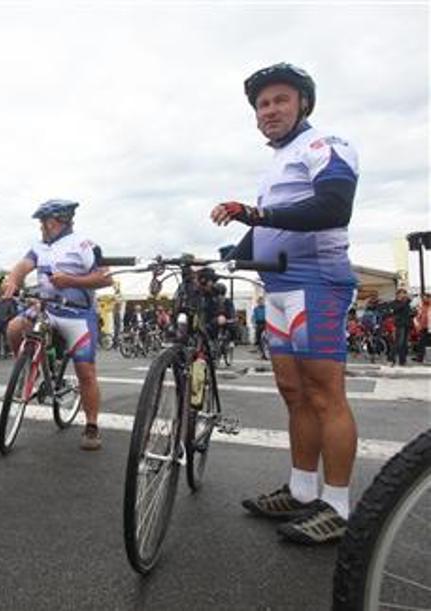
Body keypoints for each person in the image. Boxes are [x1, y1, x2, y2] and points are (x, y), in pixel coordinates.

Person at [211, 62, 360, 544]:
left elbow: (334, 206)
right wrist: (220, 262)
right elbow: (266, 229)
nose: (270, 110)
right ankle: (301, 490)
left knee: (324, 394)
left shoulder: (324, 145)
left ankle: (337, 505)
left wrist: (256, 213)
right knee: (293, 392)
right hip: (277, 286)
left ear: (304, 105)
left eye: (281, 100)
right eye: (262, 104)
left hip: (316, 281)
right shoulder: (278, 162)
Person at [2, 200, 112, 450]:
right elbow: (23, 266)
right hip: (46, 309)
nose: (41, 226)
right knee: (14, 328)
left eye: (44, 222)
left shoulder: (84, 244)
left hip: (78, 315)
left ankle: (92, 425)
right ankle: (27, 370)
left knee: (86, 371)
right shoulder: (39, 246)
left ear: (57, 222)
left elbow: (106, 279)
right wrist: (13, 280)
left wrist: (72, 280)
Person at [388, 288, 413, 367]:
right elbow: (396, 309)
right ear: (398, 294)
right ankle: (391, 359)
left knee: (405, 344)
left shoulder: (406, 303)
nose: (404, 295)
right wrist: (405, 302)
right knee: (398, 342)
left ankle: (402, 361)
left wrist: (413, 313)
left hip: (407, 324)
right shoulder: (394, 303)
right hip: (399, 324)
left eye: (405, 293)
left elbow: (408, 312)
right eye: (402, 293)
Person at [415, 293, 430, 363]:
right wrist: (418, 325)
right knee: (421, 343)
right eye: (423, 298)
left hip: (429, 326)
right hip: (423, 327)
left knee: (427, 343)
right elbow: (418, 316)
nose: (424, 299)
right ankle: (420, 358)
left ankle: (426, 358)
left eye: (426, 298)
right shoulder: (422, 306)